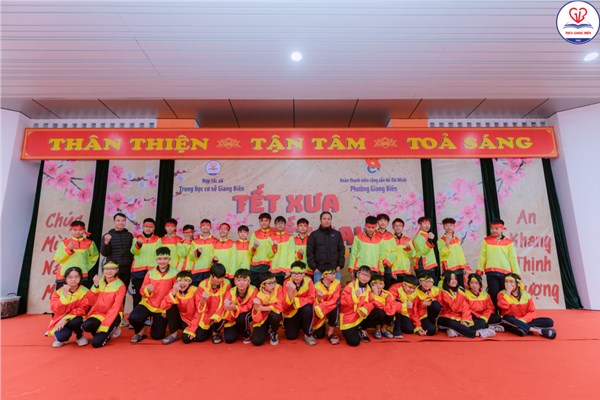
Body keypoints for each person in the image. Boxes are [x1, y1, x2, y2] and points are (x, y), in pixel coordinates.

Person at [128, 247, 178, 343]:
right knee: (133, 317)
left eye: (165, 259)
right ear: (156, 260)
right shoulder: (150, 273)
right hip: (148, 304)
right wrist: (148, 290)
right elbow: (142, 291)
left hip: (162, 307)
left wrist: (166, 309)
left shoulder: (175, 273)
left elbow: (175, 293)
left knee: (157, 336)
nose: (162, 261)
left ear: (169, 259)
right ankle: (140, 331)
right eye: (159, 259)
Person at [476, 218, 521, 311]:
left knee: (504, 293)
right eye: (492, 228)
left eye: (496, 229)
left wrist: (517, 273)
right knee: (493, 293)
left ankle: (504, 312)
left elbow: (512, 258)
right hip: (491, 272)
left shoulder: (508, 242)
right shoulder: (486, 241)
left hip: (505, 273)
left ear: (502, 229)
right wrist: (479, 271)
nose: (494, 230)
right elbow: (482, 256)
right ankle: (494, 314)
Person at [437, 270, 496, 338]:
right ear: (446, 281)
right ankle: (478, 333)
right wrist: (461, 293)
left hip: (458, 317)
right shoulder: (442, 292)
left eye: (455, 279)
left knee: (480, 322)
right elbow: (455, 308)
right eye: (451, 279)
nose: (454, 281)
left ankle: (456, 332)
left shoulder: (459, 291)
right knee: (454, 324)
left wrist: (465, 320)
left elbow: (465, 308)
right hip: (445, 317)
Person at [498, 274, 557, 339]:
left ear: (518, 284)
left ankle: (522, 328)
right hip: (510, 320)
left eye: (511, 282)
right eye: (506, 282)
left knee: (549, 321)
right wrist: (508, 293)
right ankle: (537, 331)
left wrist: (523, 320)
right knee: (506, 318)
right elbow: (503, 306)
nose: (508, 284)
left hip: (523, 321)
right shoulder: (502, 294)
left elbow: (532, 312)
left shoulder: (526, 295)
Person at [82, 261, 126, 348]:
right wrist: (95, 286)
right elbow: (90, 301)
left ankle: (112, 328)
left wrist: (105, 324)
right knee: (86, 326)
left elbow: (115, 308)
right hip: (98, 314)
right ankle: (105, 333)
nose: (109, 271)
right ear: (103, 270)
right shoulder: (98, 282)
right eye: (107, 268)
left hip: (113, 315)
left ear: (117, 270)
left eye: (112, 268)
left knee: (96, 344)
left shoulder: (120, 285)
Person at [183, 263, 230, 344]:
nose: (220, 280)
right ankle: (210, 329)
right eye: (218, 277)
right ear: (211, 275)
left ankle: (216, 332)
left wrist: (217, 315)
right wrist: (203, 300)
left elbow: (226, 301)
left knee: (224, 313)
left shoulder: (227, 283)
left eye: (222, 277)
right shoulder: (202, 285)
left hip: (220, 313)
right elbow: (199, 308)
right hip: (206, 315)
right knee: (196, 338)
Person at [48, 267, 90, 347]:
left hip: (76, 318)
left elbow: (83, 309)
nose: (73, 279)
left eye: (76, 277)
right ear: (65, 279)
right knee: (61, 337)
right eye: (70, 277)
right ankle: (62, 337)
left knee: (76, 321)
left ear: (80, 278)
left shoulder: (85, 291)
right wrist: (64, 296)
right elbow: (56, 309)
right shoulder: (58, 292)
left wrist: (65, 319)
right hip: (60, 319)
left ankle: (80, 336)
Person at [340, 266, 381, 347]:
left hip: (360, 316)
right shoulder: (349, 286)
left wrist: (365, 308)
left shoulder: (368, 288)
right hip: (349, 317)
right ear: (357, 274)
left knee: (379, 313)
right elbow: (343, 302)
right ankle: (349, 331)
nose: (365, 277)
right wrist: (353, 296)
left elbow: (372, 302)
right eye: (363, 274)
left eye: (367, 275)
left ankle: (361, 328)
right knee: (354, 342)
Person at [100, 212, 134, 311]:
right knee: (112, 292)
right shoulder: (107, 235)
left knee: (123, 293)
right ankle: (110, 315)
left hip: (126, 269)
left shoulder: (129, 235)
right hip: (113, 270)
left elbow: (133, 252)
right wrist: (106, 243)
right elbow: (104, 253)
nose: (121, 222)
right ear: (114, 222)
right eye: (118, 220)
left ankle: (120, 315)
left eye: (123, 220)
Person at [53, 220, 99, 288]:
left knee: (82, 294)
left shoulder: (90, 243)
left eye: (80, 230)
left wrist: (85, 267)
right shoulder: (64, 243)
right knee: (62, 294)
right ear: (70, 230)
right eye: (75, 230)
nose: (77, 232)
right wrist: (68, 249)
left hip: (81, 274)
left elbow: (95, 256)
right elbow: (58, 259)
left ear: (84, 230)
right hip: (64, 274)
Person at [159, 270, 199, 345]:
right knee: (170, 304)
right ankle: (173, 334)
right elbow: (163, 306)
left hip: (191, 320)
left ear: (190, 282)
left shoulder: (195, 291)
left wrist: (192, 328)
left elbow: (199, 312)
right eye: (180, 280)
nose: (182, 283)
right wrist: (173, 293)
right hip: (180, 318)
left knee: (186, 339)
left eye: (186, 280)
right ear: (177, 282)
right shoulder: (174, 290)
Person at [282, 261, 317, 345]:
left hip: (304, 309)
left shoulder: (309, 281)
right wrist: (290, 291)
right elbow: (285, 305)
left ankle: (308, 334)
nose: (296, 276)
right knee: (291, 336)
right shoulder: (286, 283)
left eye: (299, 273)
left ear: (304, 274)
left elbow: (312, 298)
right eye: (294, 273)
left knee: (308, 308)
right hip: (291, 311)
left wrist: (296, 301)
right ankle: (298, 325)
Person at [130, 218, 161, 308]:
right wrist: (138, 244)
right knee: (137, 295)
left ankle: (150, 315)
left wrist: (155, 268)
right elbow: (133, 251)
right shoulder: (136, 238)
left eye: (151, 227)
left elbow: (158, 255)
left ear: (154, 228)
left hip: (152, 271)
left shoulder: (158, 239)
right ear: (142, 227)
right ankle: (136, 315)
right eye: (146, 226)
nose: (148, 229)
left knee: (152, 295)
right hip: (137, 270)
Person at [307, 211, 345, 282]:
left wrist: (340, 266)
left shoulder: (337, 234)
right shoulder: (314, 235)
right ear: (320, 220)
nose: (326, 221)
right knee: (318, 289)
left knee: (336, 289)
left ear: (331, 220)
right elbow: (310, 252)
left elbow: (341, 250)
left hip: (335, 270)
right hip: (319, 270)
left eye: (329, 219)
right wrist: (314, 268)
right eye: (324, 219)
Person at [223, 268, 257, 344]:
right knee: (229, 339)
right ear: (235, 281)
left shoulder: (253, 290)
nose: (241, 283)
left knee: (242, 317)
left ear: (249, 282)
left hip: (248, 314)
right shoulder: (231, 291)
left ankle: (247, 334)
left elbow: (249, 307)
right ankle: (237, 329)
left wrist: (235, 307)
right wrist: (227, 305)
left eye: (244, 280)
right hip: (233, 315)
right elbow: (227, 304)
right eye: (239, 280)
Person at [250, 272, 283, 346]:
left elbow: (280, 306)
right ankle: (266, 328)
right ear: (263, 285)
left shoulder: (278, 288)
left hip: (272, 315)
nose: (273, 285)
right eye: (270, 283)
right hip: (262, 318)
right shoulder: (258, 295)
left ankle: (274, 332)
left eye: (274, 282)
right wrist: (257, 308)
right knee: (257, 341)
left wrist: (263, 308)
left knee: (275, 315)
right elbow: (256, 316)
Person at [313, 264, 341, 345]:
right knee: (319, 335)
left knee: (335, 307)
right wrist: (319, 298)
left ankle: (330, 333)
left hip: (331, 307)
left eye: (334, 273)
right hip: (321, 310)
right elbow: (315, 303)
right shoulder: (317, 286)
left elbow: (335, 299)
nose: (334, 275)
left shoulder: (337, 283)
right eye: (331, 274)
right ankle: (323, 324)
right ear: (324, 275)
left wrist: (325, 305)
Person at [437, 217, 469, 288]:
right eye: (447, 225)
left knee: (461, 288)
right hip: (449, 268)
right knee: (450, 287)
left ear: (454, 226)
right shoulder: (441, 240)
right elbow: (443, 253)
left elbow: (461, 254)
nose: (449, 227)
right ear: (443, 227)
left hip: (459, 268)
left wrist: (464, 267)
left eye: (451, 225)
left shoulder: (457, 239)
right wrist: (447, 242)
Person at [249, 213, 275, 287]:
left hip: (268, 266)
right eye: (262, 221)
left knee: (267, 288)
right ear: (259, 222)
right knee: (254, 287)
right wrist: (254, 247)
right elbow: (250, 252)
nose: (264, 223)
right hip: (255, 266)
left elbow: (276, 251)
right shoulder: (255, 233)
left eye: (266, 221)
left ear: (269, 221)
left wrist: (272, 265)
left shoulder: (274, 233)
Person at [411, 272, 441, 336]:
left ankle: (434, 323)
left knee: (435, 304)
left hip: (433, 316)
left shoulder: (436, 290)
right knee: (431, 331)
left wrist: (431, 300)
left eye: (430, 281)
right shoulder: (415, 292)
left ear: (433, 282)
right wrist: (418, 327)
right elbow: (414, 311)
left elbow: (441, 303)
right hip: (421, 316)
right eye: (425, 281)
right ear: (420, 281)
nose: (427, 284)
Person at [368, 273, 396, 339]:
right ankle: (377, 329)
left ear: (383, 285)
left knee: (391, 311)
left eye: (380, 284)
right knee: (379, 312)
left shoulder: (387, 294)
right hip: (372, 316)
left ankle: (383, 329)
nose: (378, 286)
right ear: (371, 285)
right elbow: (374, 304)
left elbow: (390, 305)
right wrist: (376, 294)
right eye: (375, 283)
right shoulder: (368, 293)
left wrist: (384, 307)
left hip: (385, 311)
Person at [189, 219, 217, 286]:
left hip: (209, 270)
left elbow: (216, 255)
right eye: (203, 225)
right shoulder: (195, 241)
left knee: (208, 289)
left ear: (210, 227)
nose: (205, 227)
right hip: (197, 270)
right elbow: (191, 257)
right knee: (195, 289)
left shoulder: (215, 240)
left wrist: (214, 261)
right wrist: (197, 252)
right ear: (200, 227)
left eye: (207, 225)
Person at [413, 216, 439, 283]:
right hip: (424, 265)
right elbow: (423, 251)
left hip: (428, 265)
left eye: (428, 223)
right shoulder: (419, 236)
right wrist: (430, 240)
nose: (427, 225)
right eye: (425, 223)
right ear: (420, 225)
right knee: (427, 285)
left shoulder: (425, 234)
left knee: (432, 285)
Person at [271, 216, 295, 285]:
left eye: (282, 223)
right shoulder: (271, 237)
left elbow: (291, 255)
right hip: (274, 269)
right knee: (275, 289)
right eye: (278, 223)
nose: (280, 225)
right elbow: (269, 254)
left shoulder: (290, 237)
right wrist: (274, 246)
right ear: (275, 225)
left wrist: (289, 270)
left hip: (285, 270)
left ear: (285, 224)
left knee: (285, 289)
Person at [376, 214, 397, 289]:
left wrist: (388, 261)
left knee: (387, 285)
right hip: (376, 265)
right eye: (381, 220)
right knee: (376, 286)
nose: (383, 222)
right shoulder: (374, 234)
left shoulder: (391, 236)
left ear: (387, 223)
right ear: (377, 222)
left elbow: (394, 251)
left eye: (385, 221)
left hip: (387, 266)